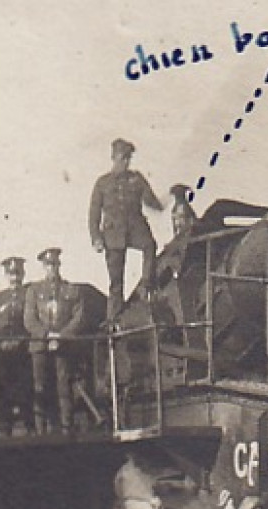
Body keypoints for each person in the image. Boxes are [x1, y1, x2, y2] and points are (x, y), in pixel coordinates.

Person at [89, 138, 164, 321]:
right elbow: (93, 214)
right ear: (113, 158)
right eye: (122, 158)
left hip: (135, 228)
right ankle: (114, 320)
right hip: (113, 235)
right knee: (116, 283)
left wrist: (165, 200)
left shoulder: (136, 179)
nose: (125, 162)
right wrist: (96, 238)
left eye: (128, 158)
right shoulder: (102, 183)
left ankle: (146, 284)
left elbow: (151, 202)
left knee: (150, 246)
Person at [25, 248, 85, 434]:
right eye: (48, 265)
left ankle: (67, 425)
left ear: (59, 265)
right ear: (43, 267)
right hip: (40, 346)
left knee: (63, 385)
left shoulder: (71, 290)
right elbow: (29, 319)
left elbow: (78, 317)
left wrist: (62, 335)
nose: (52, 268)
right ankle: (41, 428)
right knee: (40, 386)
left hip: (63, 345)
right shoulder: (34, 291)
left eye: (54, 264)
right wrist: (46, 335)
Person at [0, 255, 34, 433]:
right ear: (6, 275)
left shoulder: (30, 294)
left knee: (27, 384)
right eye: (11, 274)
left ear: (23, 274)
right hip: (2, 348)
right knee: (0, 382)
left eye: (18, 273)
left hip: (24, 346)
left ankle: (30, 424)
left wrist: (22, 340)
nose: (15, 277)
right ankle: (4, 424)